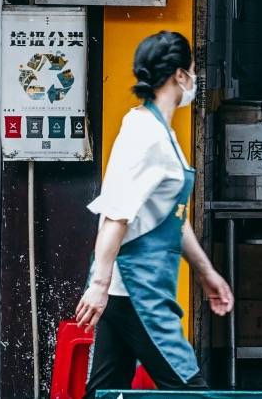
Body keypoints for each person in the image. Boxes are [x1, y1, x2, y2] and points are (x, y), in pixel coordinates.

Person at [75, 30, 233, 395]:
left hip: (129, 291)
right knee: (189, 388)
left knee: (106, 389)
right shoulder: (146, 135)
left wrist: (205, 272)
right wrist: (98, 286)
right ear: (180, 75)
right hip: (138, 292)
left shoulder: (158, 131)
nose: (194, 79)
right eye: (192, 70)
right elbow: (117, 215)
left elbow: (171, 218)